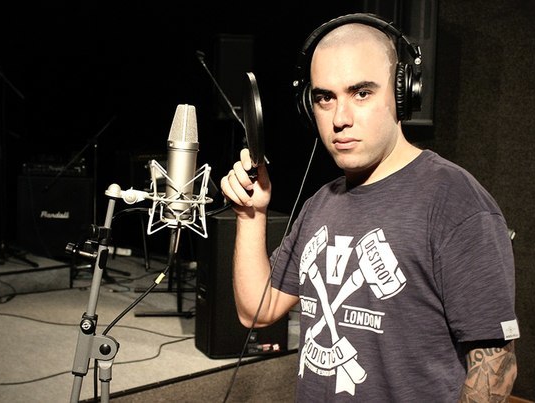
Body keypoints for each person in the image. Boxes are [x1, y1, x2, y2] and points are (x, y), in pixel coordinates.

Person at [220, 13, 519, 402]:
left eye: (361, 93)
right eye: (325, 98)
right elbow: (256, 311)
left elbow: (496, 368)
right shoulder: (319, 204)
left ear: (403, 94)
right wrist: (251, 215)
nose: (340, 119)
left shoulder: (456, 203)